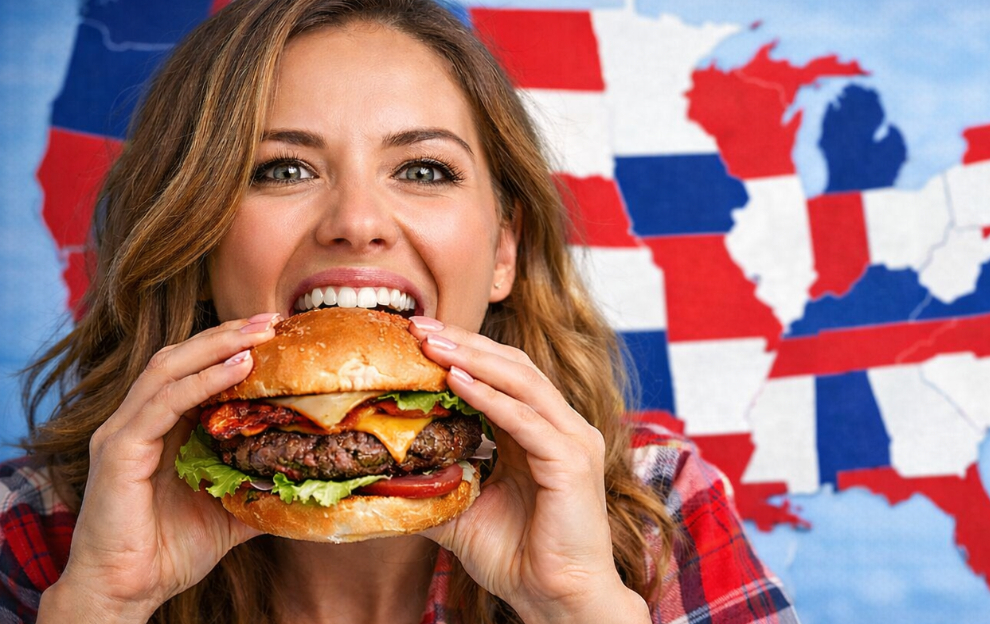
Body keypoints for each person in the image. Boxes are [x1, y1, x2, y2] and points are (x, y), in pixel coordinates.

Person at [1, 1, 800, 622]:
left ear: (502, 252)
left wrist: (581, 607)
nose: (357, 220)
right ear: (198, 237)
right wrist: (99, 608)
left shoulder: (656, 512)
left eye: (421, 168)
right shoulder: (37, 529)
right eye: (281, 169)